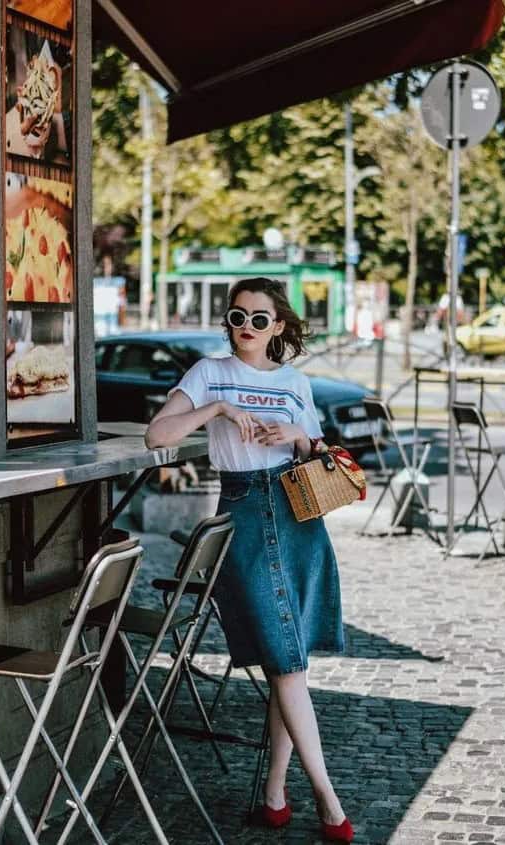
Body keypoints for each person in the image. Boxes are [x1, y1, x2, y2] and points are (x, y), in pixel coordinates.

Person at [145, 277, 354, 843]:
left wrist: (296, 435)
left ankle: (274, 794)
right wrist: (215, 407)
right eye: (238, 317)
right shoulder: (210, 372)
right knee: (285, 661)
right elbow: (155, 434)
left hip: (297, 513)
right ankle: (328, 799)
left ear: (279, 326)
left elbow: (321, 455)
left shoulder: (295, 382)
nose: (247, 329)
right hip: (242, 509)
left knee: (290, 661)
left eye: (260, 320)